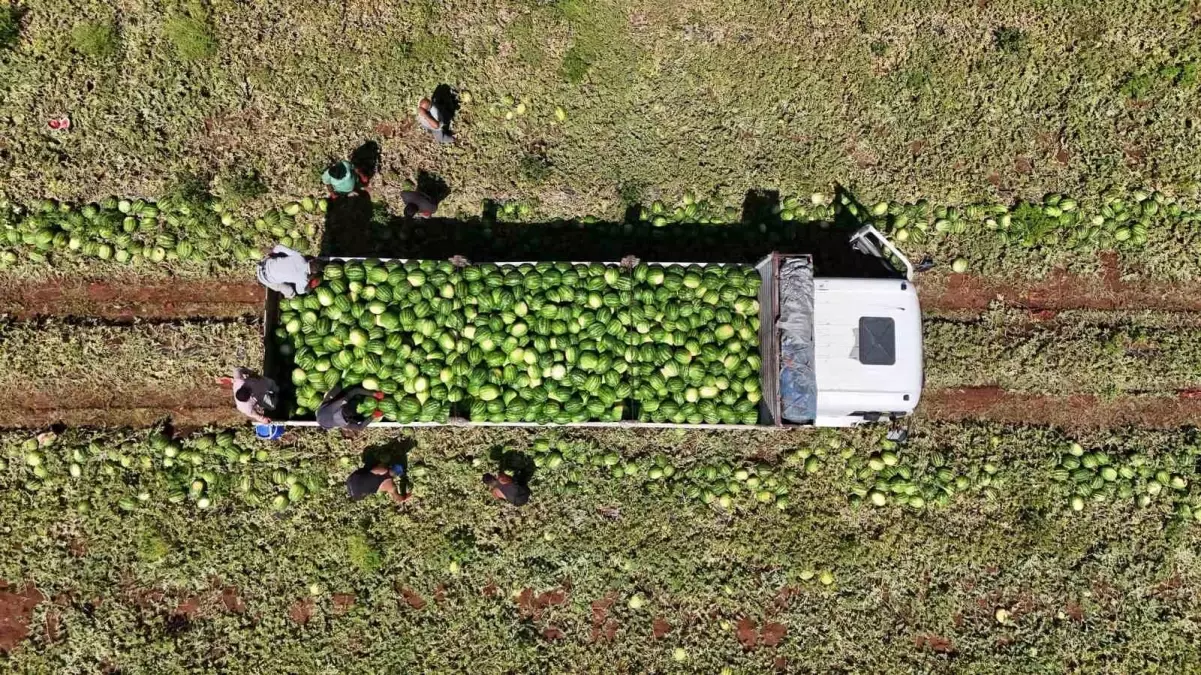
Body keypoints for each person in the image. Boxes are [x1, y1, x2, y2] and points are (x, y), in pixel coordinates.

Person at [317, 385, 385, 431]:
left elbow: (356, 390)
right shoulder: (344, 424)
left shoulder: (342, 401)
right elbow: (360, 427)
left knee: (341, 388)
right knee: (360, 420)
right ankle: (358, 402)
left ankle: (356, 399)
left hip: (327, 408)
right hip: (327, 413)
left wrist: (375, 394)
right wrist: (373, 416)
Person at [346, 462, 411, 504]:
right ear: (397, 475)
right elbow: (398, 499)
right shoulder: (390, 487)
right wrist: (408, 496)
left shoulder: (383, 468)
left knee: (368, 471)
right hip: (354, 492)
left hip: (351, 480)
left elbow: (380, 463)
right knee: (369, 485)